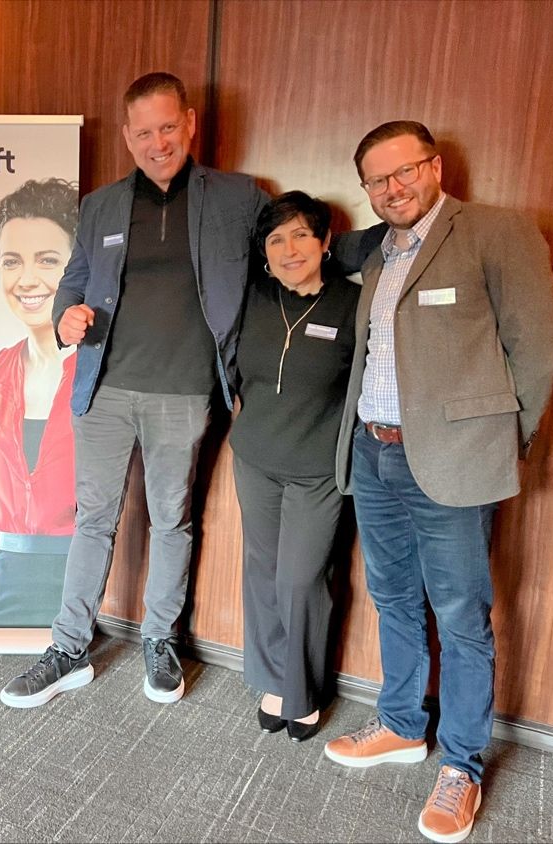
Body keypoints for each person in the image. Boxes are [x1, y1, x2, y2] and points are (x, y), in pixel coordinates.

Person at [322, 121, 553, 844]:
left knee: (460, 616)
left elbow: (538, 351)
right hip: (373, 452)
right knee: (392, 596)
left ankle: (461, 763)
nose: (392, 188)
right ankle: (401, 723)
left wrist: (501, 445)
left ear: (434, 166)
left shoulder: (495, 231)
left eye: (404, 171)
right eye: (376, 180)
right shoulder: (377, 250)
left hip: (454, 461)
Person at [0, 72, 267, 708]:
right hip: (105, 390)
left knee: (172, 520)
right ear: (127, 136)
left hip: (185, 393)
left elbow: (287, 257)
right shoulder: (101, 206)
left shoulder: (238, 198)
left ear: (190, 123)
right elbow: (74, 281)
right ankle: (68, 648)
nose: (157, 143)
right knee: (93, 520)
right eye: (143, 132)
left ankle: (160, 638)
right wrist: (65, 316)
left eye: (168, 127)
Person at [229, 191, 359, 742]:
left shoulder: (353, 304)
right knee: (262, 570)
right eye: (277, 239)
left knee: (301, 579)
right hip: (255, 457)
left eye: (302, 234)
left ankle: (302, 690)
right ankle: (271, 679)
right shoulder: (253, 296)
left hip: (317, 468)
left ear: (326, 242)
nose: (290, 249)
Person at [0, 178, 80, 627]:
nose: (27, 279)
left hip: (81, 580)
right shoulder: (0, 369)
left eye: (48, 260)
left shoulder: (101, 370)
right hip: (5, 581)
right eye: (12, 261)